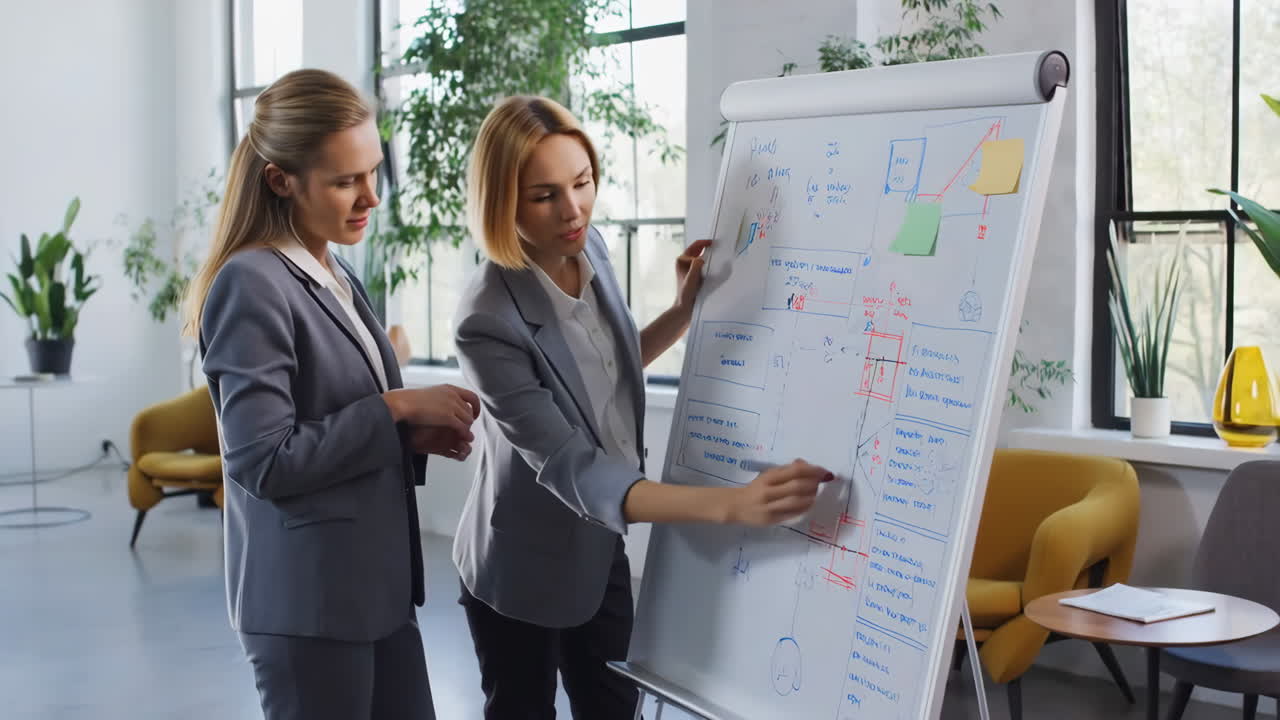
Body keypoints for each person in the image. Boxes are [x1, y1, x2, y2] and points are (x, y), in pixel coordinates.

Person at [452, 95, 833, 719]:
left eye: (582, 182)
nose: (573, 210)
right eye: (544, 196)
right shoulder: (485, 319)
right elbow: (574, 465)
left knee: (613, 706)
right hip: (521, 565)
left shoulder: (588, 247)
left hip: (598, 545)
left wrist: (682, 312)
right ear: (502, 203)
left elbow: (609, 367)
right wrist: (731, 504)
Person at [183, 68, 479, 720]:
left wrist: (408, 437)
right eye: (346, 181)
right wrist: (396, 407)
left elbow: (331, 420)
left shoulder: (334, 270)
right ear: (280, 180)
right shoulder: (251, 282)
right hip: (309, 607)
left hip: (373, 592)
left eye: (374, 172)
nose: (371, 197)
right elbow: (264, 461)